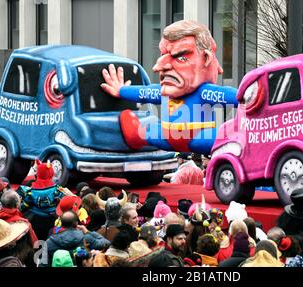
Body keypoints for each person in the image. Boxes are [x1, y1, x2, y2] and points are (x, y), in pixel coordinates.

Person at [100, 20, 238, 154]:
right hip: (166, 137)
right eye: (162, 56)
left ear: (206, 59)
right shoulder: (164, 92)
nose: (159, 66)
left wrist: (252, 95)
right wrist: (121, 90)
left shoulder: (204, 93)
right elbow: (144, 92)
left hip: (198, 138)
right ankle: (136, 135)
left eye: (180, 57)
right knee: (151, 131)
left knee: (224, 137)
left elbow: (232, 95)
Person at [16, 160, 69, 240]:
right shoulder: (58, 190)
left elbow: (23, 207)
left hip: (34, 221)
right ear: (51, 174)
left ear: (38, 173)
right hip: (52, 220)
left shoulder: (30, 191)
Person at [43, 211, 110, 266]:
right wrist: (88, 232)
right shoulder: (86, 237)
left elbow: (43, 264)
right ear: (76, 223)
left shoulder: (49, 242)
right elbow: (106, 243)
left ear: (61, 224)